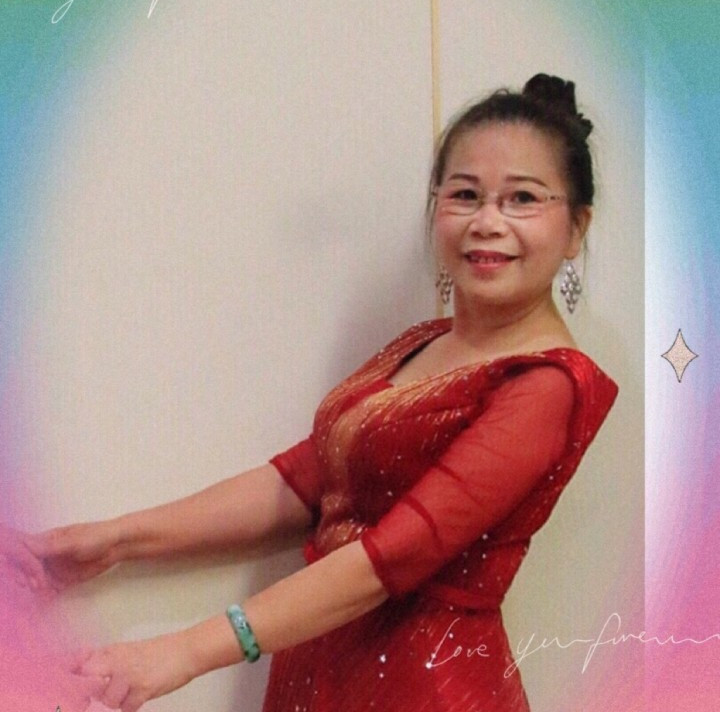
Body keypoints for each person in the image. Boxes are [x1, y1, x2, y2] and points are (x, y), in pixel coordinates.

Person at [23, 72, 619, 712]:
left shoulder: (548, 384)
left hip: (428, 689)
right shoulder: (420, 343)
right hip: (318, 667)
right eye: (465, 195)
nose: (487, 222)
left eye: (523, 198)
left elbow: (393, 557)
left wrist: (185, 651)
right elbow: (306, 482)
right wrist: (112, 542)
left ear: (575, 228)